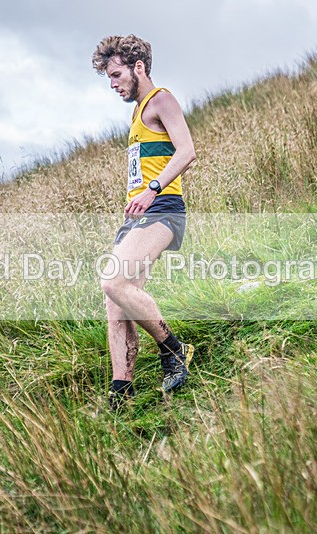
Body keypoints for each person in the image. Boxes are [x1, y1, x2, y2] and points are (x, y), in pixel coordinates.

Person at [92, 35, 197, 410]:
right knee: (116, 300)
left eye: (117, 74)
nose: (113, 84)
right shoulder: (136, 113)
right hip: (137, 215)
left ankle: (174, 349)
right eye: (108, 78)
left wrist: (151, 189)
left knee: (113, 281)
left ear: (139, 68)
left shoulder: (161, 100)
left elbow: (187, 151)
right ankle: (122, 393)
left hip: (164, 208)